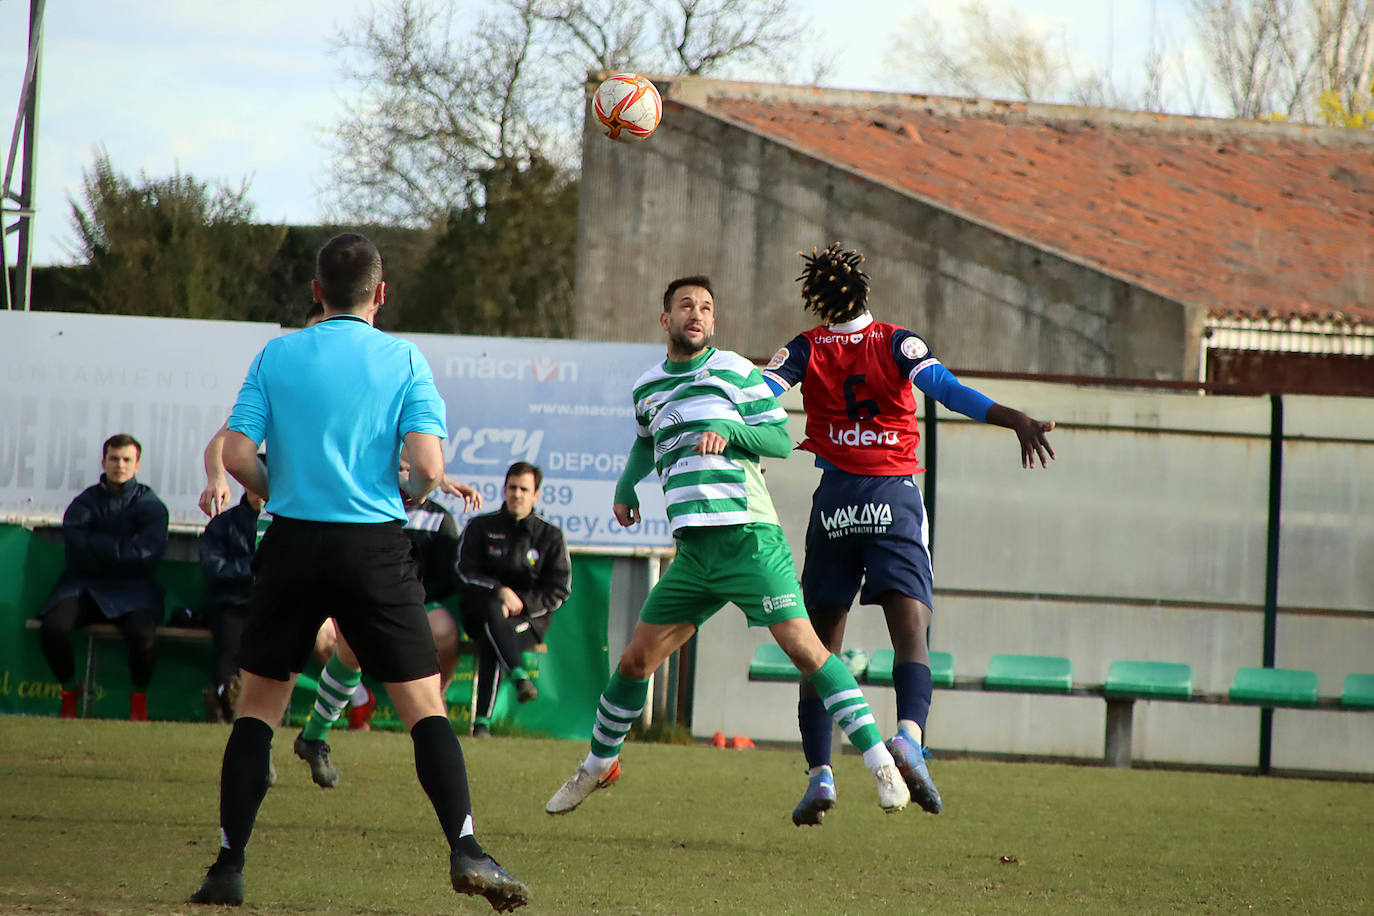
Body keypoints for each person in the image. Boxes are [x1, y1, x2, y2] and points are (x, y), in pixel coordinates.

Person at [188, 233, 528, 912]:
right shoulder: (403, 358)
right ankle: (465, 847)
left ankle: (228, 865)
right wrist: (400, 498)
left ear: (316, 292)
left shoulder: (279, 353)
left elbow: (233, 454)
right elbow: (429, 469)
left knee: (259, 707)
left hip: (292, 542)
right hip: (373, 546)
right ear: (381, 293)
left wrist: (279, 485)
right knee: (423, 706)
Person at [545, 275, 911, 818]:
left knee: (808, 653)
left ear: (713, 323)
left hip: (748, 539)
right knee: (633, 661)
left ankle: (881, 764)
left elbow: (781, 440)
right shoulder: (648, 389)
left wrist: (729, 428)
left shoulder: (736, 372)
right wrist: (626, 486)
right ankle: (599, 765)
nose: (697, 313)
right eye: (685, 306)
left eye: (707, 308)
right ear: (664, 320)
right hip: (692, 553)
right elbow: (648, 440)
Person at [761, 243, 1057, 826]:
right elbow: (948, 390)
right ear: (864, 291)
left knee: (820, 648)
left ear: (816, 301)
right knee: (912, 631)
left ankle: (820, 774)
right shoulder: (898, 342)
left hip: (835, 503)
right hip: (892, 500)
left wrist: (713, 415)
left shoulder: (805, 347)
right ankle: (909, 737)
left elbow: (761, 393)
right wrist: (1014, 418)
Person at [37, 433, 169, 721]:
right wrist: (125, 547)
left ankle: (138, 702)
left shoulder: (151, 505)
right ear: (103, 462)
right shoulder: (85, 501)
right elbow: (76, 547)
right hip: (83, 586)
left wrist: (97, 543)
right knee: (52, 628)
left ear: (137, 465)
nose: (119, 465)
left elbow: (148, 554)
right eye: (113, 459)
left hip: (134, 590)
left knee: (144, 636)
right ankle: (71, 692)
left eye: (126, 459)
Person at [457, 461, 571, 737]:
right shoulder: (481, 527)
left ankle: (482, 724)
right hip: (480, 611)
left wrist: (522, 602)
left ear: (536, 495)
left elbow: (559, 589)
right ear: (504, 490)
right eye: (511, 487)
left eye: (523, 489)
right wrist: (499, 590)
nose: (516, 494)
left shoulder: (550, 536)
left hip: (527, 621)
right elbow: (463, 570)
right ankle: (519, 676)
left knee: (494, 635)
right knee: (492, 615)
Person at [198, 484, 267, 722]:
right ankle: (227, 699)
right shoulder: (223, 523)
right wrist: (256, 567)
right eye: (256, 482)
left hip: (272, 604)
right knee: (231, 650)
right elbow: (213, 568)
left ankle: (231, 705)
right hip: (230, 602)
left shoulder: (289, 525)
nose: (262, 489)